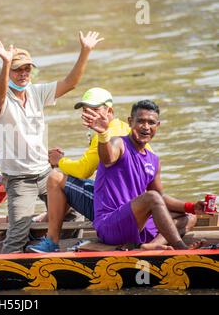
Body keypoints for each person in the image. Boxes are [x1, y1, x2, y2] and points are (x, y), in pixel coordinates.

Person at [0, 31, 104, 253]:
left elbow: (70, 83)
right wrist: (5, 63)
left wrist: (85, 51)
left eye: (27, 69)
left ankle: (61, 250)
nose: (23, 74)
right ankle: (13, 265)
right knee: (16, 236)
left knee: (73, 214)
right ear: (9, 73)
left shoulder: (37, 92)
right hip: (19, 180)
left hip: (44, 173)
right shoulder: (0, 99)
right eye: (17, 69)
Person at [27, 87, 152, 252]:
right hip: (133, 205)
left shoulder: (107, 135)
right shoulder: (128, 129)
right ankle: (49, 216)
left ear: (110, 111)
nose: (89, 115)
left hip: (117, 209)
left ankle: (51, 241)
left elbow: (83, 170)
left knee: (56, 178)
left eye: (95, 110)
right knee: (78, 181)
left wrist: (59, 161)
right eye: (86, 111)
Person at [83, 99, 204, 250]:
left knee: (190, 218)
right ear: (130, 122)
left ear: (157, 126)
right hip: (110, 226)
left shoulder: (154, 160)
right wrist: (103, 134)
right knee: (151, 197)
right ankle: (181, 249)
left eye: (151, 123)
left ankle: (149, 247)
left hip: (137, 224)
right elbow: (107, 158)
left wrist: (192, 207)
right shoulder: (118, 144)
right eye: (140, 121)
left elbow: (161, 198)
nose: (146, 127)